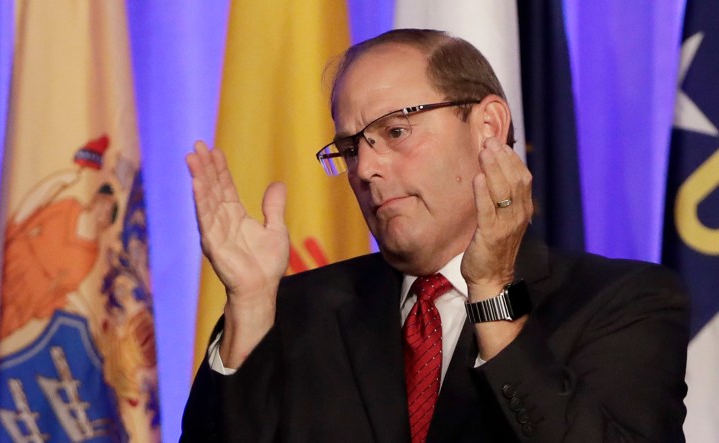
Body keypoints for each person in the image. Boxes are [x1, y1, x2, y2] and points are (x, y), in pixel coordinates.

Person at [181, 29, 688, 442]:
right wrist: (248, 306)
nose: (367, 169)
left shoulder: (623, 301)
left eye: (397, 131)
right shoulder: (290, 313)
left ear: (487, 125)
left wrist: (491, 291)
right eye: (352, 149)